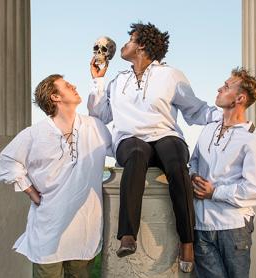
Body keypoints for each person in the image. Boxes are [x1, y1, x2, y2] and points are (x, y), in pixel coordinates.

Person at [88, 22, 219, 272]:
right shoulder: (118, 81)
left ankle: (187, 240)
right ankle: (127, 235)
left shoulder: (170, 75)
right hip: (130, 140)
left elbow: (195, 110)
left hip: (165, 134)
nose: (124, 45)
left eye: (129, 40)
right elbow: (99, 114)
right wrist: (98, 81)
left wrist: (226, 117)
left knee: (175, 159)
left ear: (142, 46)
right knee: (136, 154)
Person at [0, 74, 112, 278]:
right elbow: (6, 162)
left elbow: (121, 152)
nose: (74, 85)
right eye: (66, 85)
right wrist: (29, 190)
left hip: (84, 230)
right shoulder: (35, 133)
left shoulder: (95, 127)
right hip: (48, 230)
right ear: (55, 97)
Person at [190, 68, 256, 278]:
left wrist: (214, 192)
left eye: (226, 86)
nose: (220, 88)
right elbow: (194, 162)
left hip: (233, 228)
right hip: (201, 226)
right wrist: (192, 177)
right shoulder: (208, 130)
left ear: (240, 98)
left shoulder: (253, 141)